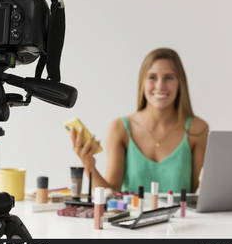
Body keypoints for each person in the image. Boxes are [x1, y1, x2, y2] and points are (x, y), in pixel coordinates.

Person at [70, 48, 209, 193]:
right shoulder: (120, 128)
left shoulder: (197, 128)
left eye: (169, 77)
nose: (160, 86)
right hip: (132, 216)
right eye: (152, 77)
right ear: (142, 81)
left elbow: (196, 194)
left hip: (180, 215)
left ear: (180, 83)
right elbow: (110, 193)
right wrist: (89, 165)